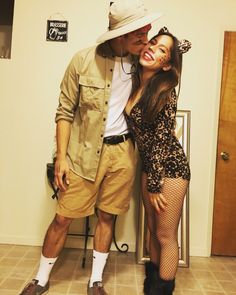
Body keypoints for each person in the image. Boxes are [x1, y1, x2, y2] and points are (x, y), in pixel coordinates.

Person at [19, 1, 162, 295]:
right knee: (63, 218)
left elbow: (168, 61)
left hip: (122, 155)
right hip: (82, 154)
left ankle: (95, 280)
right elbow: (64, 111)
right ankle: (41, 279)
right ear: (121, 34)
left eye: (147, 29)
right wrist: (61, 157)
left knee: (107, 216)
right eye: (139, 31)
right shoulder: (82, 61)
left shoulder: (141, 65)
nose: (146, 36)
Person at [125, 27, 191, 295]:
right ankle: (151, 285)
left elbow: (163, 141)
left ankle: (162, 291)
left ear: (167, 65)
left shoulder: (165, 92)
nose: (152, 48)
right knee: (152, 231)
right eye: (152, 43)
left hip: (170, 170)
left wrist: (155, 184)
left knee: (165, 236)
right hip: (151, 168)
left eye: (162, 49)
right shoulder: (138, 83)